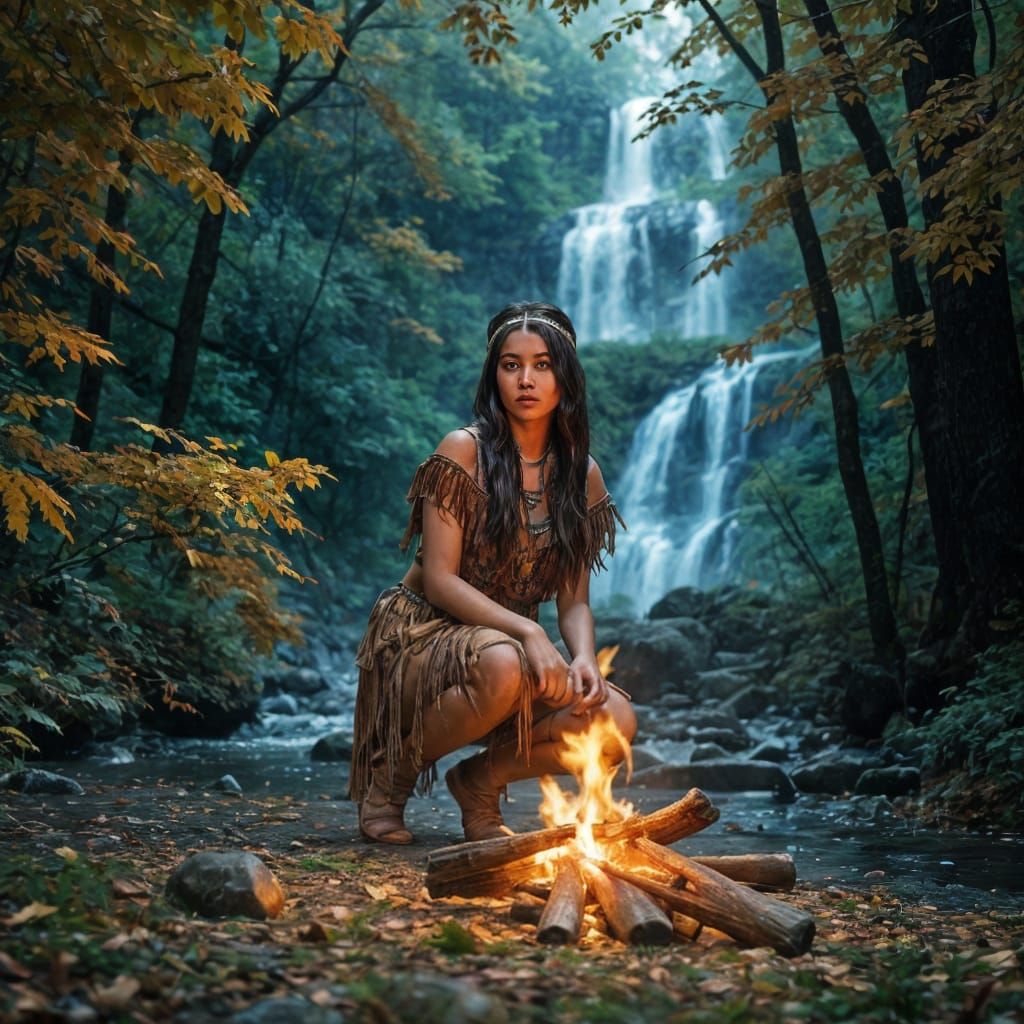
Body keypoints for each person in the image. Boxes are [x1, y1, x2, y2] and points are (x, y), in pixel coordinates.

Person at [350, 301, 637, 844]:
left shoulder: (582, 474)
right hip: (423, 635)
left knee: (614, 719)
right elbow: (440, 580)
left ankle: (479, 783)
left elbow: (574, 601)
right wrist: (530, 630)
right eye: (511, 364)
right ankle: (389, 781)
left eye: (542, 364)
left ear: (565, 376)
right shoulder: (464, 450)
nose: (526, 379)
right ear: (494, 374)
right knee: (505, 664)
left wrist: (582, 657)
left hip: (501, 645)